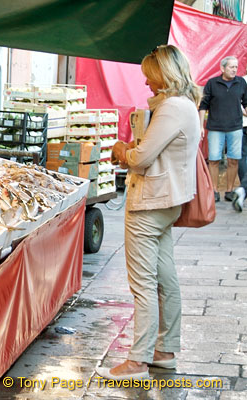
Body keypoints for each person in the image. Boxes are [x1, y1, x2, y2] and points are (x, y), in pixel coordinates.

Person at [96, 45, 200, 380]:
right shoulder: (185, 106)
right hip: (168, 203)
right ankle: (165, 350)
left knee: (143, 284)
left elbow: (140, 158)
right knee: (165, 278)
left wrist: (121, 150)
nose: (146, 85)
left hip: (150, 203)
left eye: (150, 78)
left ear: (164, 76)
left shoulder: (171, 108)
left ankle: (138, 360)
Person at [199, 56, 247, 202]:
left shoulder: (241, 82)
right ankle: (214, 190)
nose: (234, 70)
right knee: (214, 160)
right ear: (222, 68)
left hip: (235, 128)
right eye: (231, 67)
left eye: (236, 67)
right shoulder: (212, 83)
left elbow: (245, 102)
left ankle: (229, 190)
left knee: (234, 160)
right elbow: (203, 106)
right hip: (215, 128)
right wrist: (201, 126)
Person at [231, 70, 247, 212]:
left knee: (242, 156)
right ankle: (243, 189)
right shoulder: (241, 81)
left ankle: (243, 189)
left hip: (240, 124)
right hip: (240, 124)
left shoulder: (240, 81)